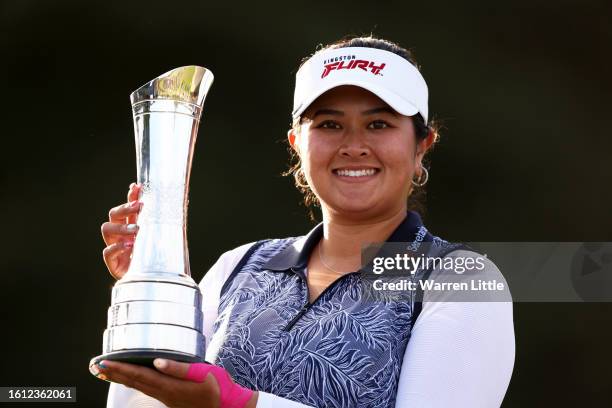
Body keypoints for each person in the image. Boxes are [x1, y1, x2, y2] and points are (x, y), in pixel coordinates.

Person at [93, 36, 515, 407]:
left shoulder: (460, 279)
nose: (353, 145)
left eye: (379, 124)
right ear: (297, 143)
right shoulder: (238, 267)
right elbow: (141, 404)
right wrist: (143, 292)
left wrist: (240, 405)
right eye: (329, 124)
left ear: (422, 145)